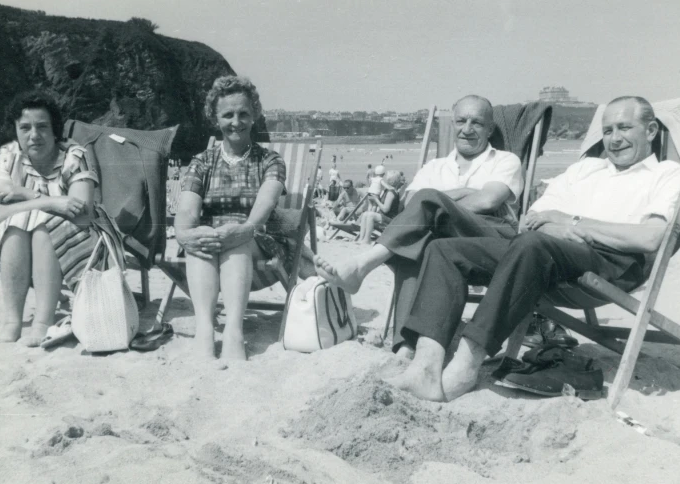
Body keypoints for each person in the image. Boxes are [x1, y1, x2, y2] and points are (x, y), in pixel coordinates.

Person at [379, 96, 680, 402]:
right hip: (545, 254)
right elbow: (533, 221)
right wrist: (555, 225)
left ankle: (466, 364)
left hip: (612, 264)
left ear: (650, 131)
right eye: (608, 131)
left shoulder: (669, 174)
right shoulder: (585, 170)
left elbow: (649, 238)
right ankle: (425, 367)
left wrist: (573, 222)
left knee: (532, 244)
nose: (615, 139)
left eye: (625, 128)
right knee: (447, 250)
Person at [315, 95, 524, 357]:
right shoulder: (434, 166)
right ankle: (405, 349)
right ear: (452, 125)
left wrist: (438, 198)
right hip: (442, 240)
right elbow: (411, 204)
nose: (467, 129)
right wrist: (461, 193)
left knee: (425, 208)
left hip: (491, 237)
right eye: (461, 120)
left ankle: (363, 265)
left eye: (477, 123)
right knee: (417, 244)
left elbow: (488, 199)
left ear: (490, 129)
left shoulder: (505, 160)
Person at [0, 90, 119, 346]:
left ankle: (42, 321)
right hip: (24, 234)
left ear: (54, 130)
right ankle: (13, 321)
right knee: (14, 229)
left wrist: (21, 196)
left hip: (84, 235)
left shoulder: (74, 155)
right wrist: (51, 201)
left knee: (41, 227)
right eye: (25, 127)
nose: (34, 135)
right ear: (16, 130)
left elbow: (82, 214)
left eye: (42, 126)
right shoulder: (9, 155)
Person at [175, 75, 299, 364]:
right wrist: (185, 234)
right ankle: (205, 330)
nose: (236, 121)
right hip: (211, 239)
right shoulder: (202, 161)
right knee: (201, 237)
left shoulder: (269, 161)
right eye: (228, 114)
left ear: (254, 114)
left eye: (243, 113)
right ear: (215, 119)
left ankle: (233, 331)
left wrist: (244, 229)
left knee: (236, 240)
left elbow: (265, 204)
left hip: (256, 238)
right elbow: (187, 211)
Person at [356, 170, 405, 244]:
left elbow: (385, 209)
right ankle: (361, 238)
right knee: (366, 214)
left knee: (370, 215)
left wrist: (376, 200)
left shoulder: (390, 192)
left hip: (390, 219)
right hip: (385, 216)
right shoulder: (388, 190)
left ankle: (367, 240)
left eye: (388, 178)